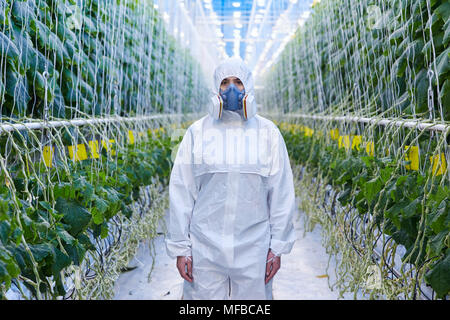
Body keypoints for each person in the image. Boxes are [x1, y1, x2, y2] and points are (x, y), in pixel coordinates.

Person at [165, 57, 296, 300]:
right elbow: (182, 191)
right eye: (225, 83)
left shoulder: (268, 134)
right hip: (205, 247)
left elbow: (281, 193)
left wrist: (277, 247)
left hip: (254, 248)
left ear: (249, 88)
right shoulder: (198, 133)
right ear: (216, 89)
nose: (232, 89)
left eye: (238, 82)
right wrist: (181, 248)